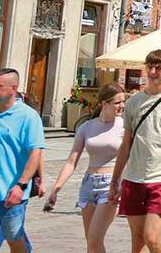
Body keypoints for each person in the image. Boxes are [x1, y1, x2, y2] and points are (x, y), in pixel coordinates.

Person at [110, 48, 161, 253]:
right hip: (134, 176)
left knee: (151, 237)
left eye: (159, 67)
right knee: (137, 239)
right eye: (150, 67)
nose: (153, 72)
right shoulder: (134, 102)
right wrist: (115, 179)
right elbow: (126, 144)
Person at [45, 82, 126, 253]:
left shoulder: (125, 127)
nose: (122, 106)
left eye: (123, 101)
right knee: (92, 242)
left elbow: (128, 159)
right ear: (104, 103)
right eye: (117, 102)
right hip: (88, 185)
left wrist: (121, 185)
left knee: (95, 239)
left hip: (110, 185)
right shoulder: (87, 127)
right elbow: (71, 161)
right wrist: (56, 189)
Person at [0, 68, 45, 253]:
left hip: (10, 193)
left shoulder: (28, 117)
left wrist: (21, 185)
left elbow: (35, 152)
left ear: (12, 89)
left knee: (14, 239)